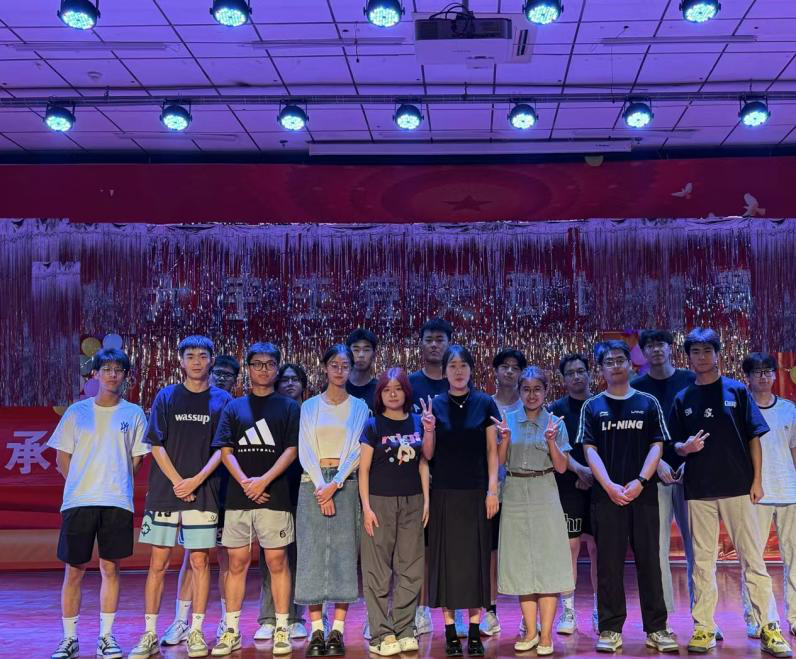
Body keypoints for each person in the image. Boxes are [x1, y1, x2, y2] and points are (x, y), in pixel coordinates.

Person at [669, 328, 791, 657]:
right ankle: (704, 627)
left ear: (718, 354)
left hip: (738, 488)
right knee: (702, 563)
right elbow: (673, 445)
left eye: (707, 350)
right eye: (695, 351)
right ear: (688, 357)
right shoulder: (682, 398)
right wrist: (684, 448)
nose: (702, 357)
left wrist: (757, 481)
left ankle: (769, 627)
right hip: (699, 491)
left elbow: (754, 437)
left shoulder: (736, 391)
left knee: (753, 560)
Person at [129, 335, 232, 659]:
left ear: (212, 359)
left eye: (202, 355)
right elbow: (156, 444)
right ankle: (149, 633)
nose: (197, 361)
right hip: (166, 493)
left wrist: (197, 481)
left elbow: (223, 449)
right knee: (158, 563)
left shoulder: (223, 400)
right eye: (190, 356)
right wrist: (178, 482)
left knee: (200, 561)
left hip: (203, 494)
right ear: (181, 360)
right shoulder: (167, 396)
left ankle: (196, 631)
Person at [49, 348, 149, 659]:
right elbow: (62, 458)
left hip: (116, 501)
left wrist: (115, 482)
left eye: (118, 370)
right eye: (106, 369)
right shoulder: (76, 412)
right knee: (74, 570)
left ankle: (106, 637)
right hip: (79, 501)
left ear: (125, 375)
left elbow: (137, 459)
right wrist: (82, 484)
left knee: (110, 568)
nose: (112, 375)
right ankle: (69, 639)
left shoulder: (134, 413)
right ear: (95, 374)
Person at [577, 340, 677, 654]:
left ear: (630, 365)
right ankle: (610, 628)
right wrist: (608, 485)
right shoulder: (592, 406)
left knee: (650, 562)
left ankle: (657, 628)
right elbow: (589, 450)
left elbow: (657, 446)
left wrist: (641, 481)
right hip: (607, 497)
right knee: (608, 564)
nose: (616, 365)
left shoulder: (648, 402)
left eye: (620, 360)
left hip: (643, 495)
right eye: (609, 362)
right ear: (601, 369)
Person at [210, 343, 300, 657]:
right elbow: (225, 450)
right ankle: (232, 630)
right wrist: (246, 482)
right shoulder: (234, 407)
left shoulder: (289, 407)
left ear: (277, 368)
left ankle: (282, 627)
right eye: (257, 364)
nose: (263, 369)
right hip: (238, 498)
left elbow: (291, 450)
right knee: (236, 563)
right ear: (248, 368)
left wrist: (264, 480)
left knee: (277, 561)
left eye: (269, 364)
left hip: (275, 497)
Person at [424, 345, 500, 657]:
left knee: (475, 563)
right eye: (452, 366)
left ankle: (474, 631)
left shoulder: (485, 402)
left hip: (476, 495)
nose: (458, 371)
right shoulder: (435, 404)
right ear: (444, 371)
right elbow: (427, 454)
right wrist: (428, 430)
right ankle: (450, 632)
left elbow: (492, 452)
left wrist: (492, 491)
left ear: (471, 369)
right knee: (447, 564)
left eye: (463, 365)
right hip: (444, 494)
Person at [295, 345, 370, 657]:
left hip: (345, 483)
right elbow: (305, 448)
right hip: (313, 483)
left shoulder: (360, 407)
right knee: (311, 555)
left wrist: (335, 483)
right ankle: (316, 630)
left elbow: (357, 450)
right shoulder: (310, 406)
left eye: (345, 365)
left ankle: (337, 629)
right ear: (325, 368)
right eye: (334, 365)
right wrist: (322, 486)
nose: (340, 371)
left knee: (344, 556)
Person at [494, 366, 574, 656]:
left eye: (537, 389)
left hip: (544, 489)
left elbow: (562, 467)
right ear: (519, 391)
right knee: (521, 563)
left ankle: (546, 635)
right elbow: (500, 461)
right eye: (526, 389)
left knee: (547, 562)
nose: (531, 395)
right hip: (515, 491)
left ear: (545, 391)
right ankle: (530, 631)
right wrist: (504, 439)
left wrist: (551, 440)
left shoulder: (555, 422)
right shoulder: (508, 420)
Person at [161, 354, 240, 646]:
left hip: (225, 492)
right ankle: (182, 621)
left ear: (236, 380)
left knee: (226, 556)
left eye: (228, 375)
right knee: (192, 556)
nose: (221, 378)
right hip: (197, 491)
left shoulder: (233, 407)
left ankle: (226, 621)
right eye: (218, 372)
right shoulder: (186, 401)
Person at [359, 368, 431, 656]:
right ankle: (381, 633)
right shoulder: (372, 425)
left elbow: (424, 462)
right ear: (380, 394)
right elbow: (363, 470)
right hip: (380, 502)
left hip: (413, 501)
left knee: (411, 568)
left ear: (406, 392)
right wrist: (366, 508)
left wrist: (426, 500)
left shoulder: (418, 422)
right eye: (387, 389)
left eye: (398, 388)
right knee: (377, 570)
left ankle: (404, 628)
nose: (392, 394)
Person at [631, 331, 697, 618]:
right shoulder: (636, 388)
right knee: (657, 550)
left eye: (661, 344)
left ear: (671, 348)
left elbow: (699, 425)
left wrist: (688, 461)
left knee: (698, 548)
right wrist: (656, 463)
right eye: (650, 345)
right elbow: (634, 435)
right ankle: (662, 618)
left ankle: (702, 616)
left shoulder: (690, 380)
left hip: (690, 474)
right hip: (652, 477)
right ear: (643, 352)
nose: (656, 349)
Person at [740, 352, 796, 639]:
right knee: (753, 559)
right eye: (757, 372)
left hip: (789, 492)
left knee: (794, 559)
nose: (763, 376)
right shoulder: (741, 410)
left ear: (775, 375)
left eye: (768, 371)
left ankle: (794, 616)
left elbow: (794, 451)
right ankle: (756, 618)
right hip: (755, 493)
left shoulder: (789, 409)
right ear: (747, 377)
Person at [255, 363, 309, 641]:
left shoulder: (311, 414)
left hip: (304, 492)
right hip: (273, 492)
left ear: (303, 385)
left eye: (295, 379)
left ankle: (297, 617)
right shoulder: (269, 413)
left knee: (299, 557)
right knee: (272, 559)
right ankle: (269, 618)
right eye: (284, 379)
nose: (289, 384)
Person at [408, 317, 453, 636]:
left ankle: (457, 606)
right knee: (419, 549)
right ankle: (420, 609)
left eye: (440, 339)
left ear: (449, 344)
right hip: (414, 476)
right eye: (429, 339)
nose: (435, 345)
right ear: (421, 345)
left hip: (452, 477)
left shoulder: (458, 383)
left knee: (452, 546)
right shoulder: (410, 384)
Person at [548, 353, 599, 635]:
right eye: (571, 373)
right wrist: (580, 472)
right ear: (563, 378)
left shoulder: (602, 404)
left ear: (590, 373)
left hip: (601, 486)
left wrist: (594, 476)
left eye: (581, 371)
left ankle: (601, 608)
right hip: (568, 486)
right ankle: (568, 610)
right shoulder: (555, 410)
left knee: (599, 548)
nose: (577, 376)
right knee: (570, 548)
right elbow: (556, 450)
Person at [480, 348, 527, 637]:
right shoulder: (486, 406)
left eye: (515, 367)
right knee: (491, 552)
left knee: (523, 551)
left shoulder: (530, 405)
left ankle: (528, 615)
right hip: (493, 490)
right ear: (495, 371)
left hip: (524, 491)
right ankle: (490, 610)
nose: (510, 371)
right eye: (504, 366)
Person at [346, 328, 379, 410]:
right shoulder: (336, 387)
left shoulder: (381, 389)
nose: (361, 355)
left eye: (366, 350)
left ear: (374, 355)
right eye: (356, 350)